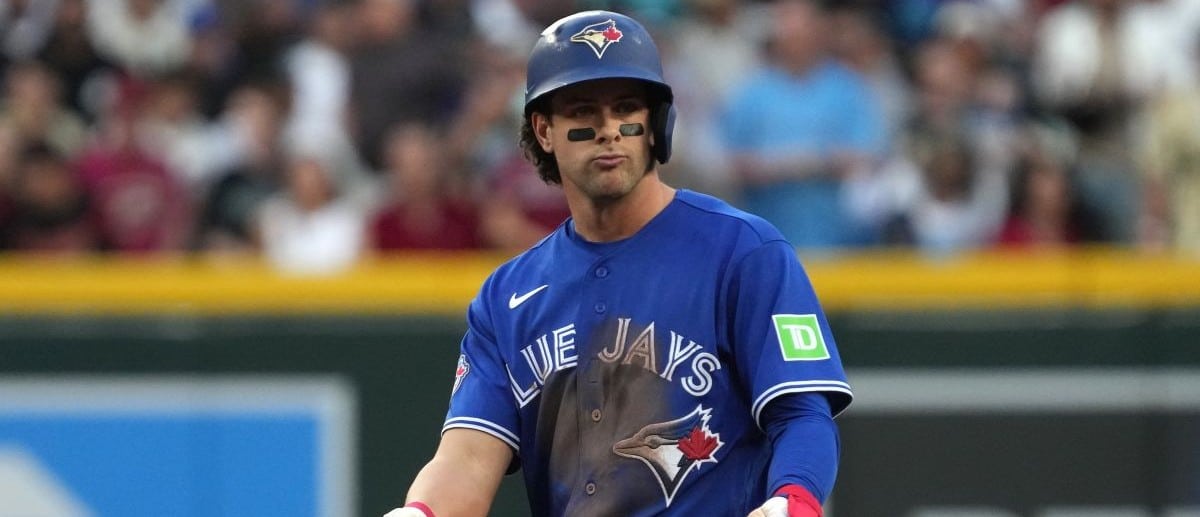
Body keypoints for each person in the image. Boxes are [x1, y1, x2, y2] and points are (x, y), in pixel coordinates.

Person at [383, 10, 852, 517]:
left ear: (654, 124)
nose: (608, 130)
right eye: (583, 112)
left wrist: (793, 499)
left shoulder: (744, 251)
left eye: (626, 108)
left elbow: (802, 414)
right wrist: (421, 512)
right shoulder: (507, 296)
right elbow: (469, 457)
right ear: (544, 130)